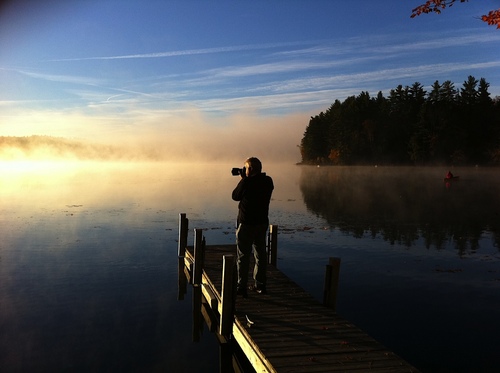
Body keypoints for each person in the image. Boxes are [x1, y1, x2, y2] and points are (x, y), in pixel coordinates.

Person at [232, 157, 274, 297]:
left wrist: (243, 179)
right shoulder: (268, 182)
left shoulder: (247, 183)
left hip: (247, 224)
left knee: (243, 256)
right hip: (261, 224)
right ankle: (260, 285)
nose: (244, 170)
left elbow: (235, 196)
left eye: (245, 168)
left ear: (250, 169)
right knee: (260, 255)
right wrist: (246, 178)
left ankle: (241, 287)